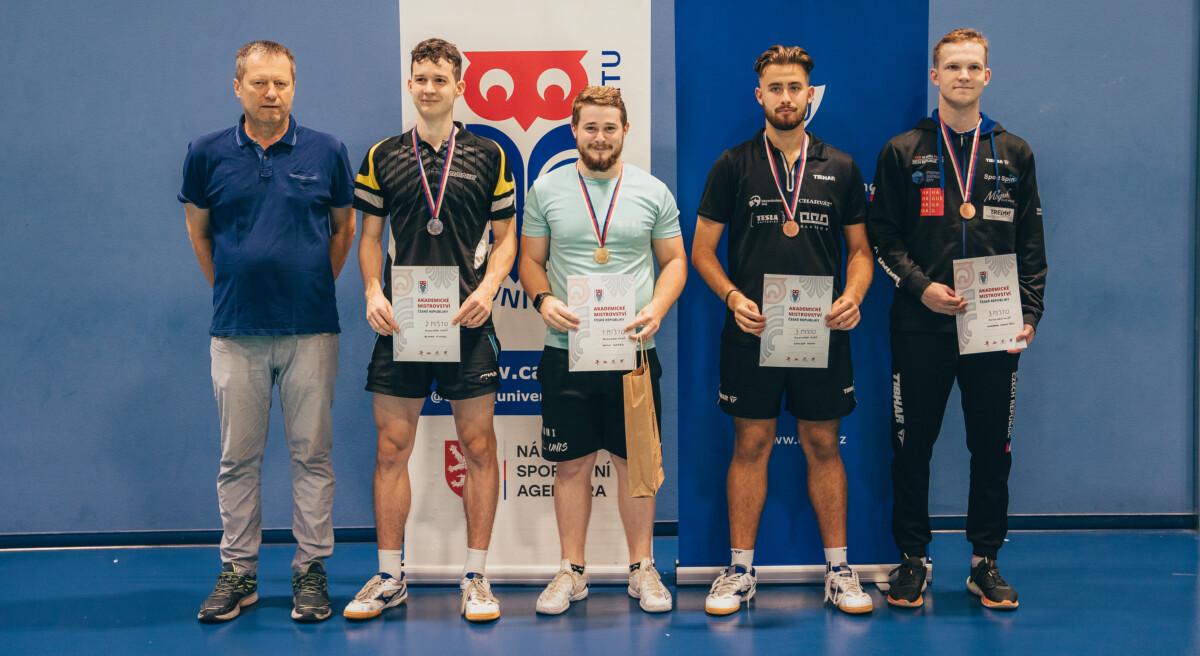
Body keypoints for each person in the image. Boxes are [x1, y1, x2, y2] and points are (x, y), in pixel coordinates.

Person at [691, 45, 875, 616]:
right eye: (776, 88)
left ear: (809, 94)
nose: (786, 98)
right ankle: (740, 571)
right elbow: (702, 251)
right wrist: (733, 297)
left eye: (795, 87)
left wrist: (853, 296)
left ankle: (839, 571)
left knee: (823, 445)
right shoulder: (732, 165)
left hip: (822, 330)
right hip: (753, 331)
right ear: (760, 95)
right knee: (750, 445)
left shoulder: (841, 166)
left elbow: (861, 251)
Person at [868, 28, 1046, 610]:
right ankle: (912, 559)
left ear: (987, 76)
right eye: (952, 67)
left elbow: (1032, 244)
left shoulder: (1014, 152)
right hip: (920, 325)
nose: (963, 76)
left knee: (992, 448)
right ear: (935, 76)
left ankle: (983, 561)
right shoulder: (903, 151)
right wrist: (920, 288)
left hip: (993, 327)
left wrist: (1030, 312)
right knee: (911, 446)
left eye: (972, 67)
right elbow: (882, 236)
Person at [181, 40, 355, 623]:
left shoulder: (327, 151)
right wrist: (235, 285)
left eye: (281, 83)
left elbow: (343, 230)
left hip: (311, 330)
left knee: (313, 457)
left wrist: (311, 284)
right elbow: (199, 233)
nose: (271, 93)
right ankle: (239, 572)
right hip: (236, 331)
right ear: (238, 87)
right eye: (259, 83)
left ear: (293, 86)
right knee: (237, 459)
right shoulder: (205, 154)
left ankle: (311, 570)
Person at [344, 37, 517, 624]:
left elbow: (507, 239)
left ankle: (476, 577)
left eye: (440, 79)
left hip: (468, 319)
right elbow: (370, 238)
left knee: (479, 447)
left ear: (459, 87)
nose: (429, 88)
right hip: (404, 321)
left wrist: (488, 290)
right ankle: (390, 576)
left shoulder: (490, 155)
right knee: (391, 449)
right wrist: (373, 291)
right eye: (420, 78)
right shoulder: (383, 155)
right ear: (409, 84)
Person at [518, 86, 687, 615]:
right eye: (589, 127)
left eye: (609, 127)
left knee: (636, 464)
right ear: (574, 130)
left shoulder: (652, 191)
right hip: (566, 350)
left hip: (633, 353)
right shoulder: (546, 189)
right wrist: (543, 300)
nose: (599, 137)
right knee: (571, 465)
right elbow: (530, 261)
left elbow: (675, 261)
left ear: (625, 130)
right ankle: (572, 570)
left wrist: (657, 307)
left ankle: (642, 568)